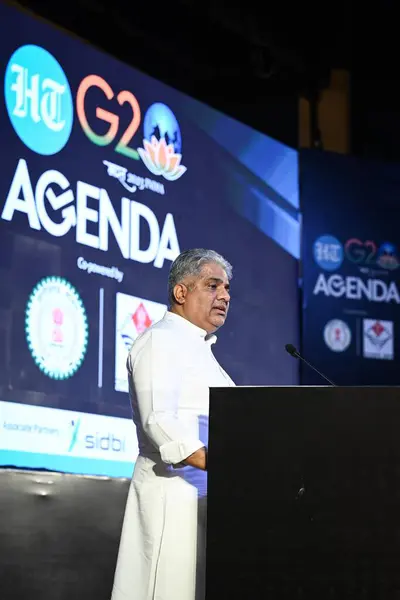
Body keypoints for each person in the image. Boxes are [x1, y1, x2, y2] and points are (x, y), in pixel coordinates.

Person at [111, 248, 235, 600]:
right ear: (182, 292)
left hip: (211, 499)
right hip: (171, 497)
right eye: (213, 286)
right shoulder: (159, 340)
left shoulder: (202, 351)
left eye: (226, 289)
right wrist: (228, 464)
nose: (224, 296)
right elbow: (159, 420)